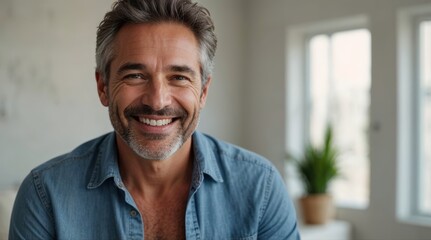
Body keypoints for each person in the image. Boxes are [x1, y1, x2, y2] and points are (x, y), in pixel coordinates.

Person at [9, 0, 300, 239]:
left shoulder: (260, 188)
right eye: (135, 75)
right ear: (103, 87)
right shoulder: (44, 195)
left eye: (179, 77)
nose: (157, 100)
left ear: (203, 92)